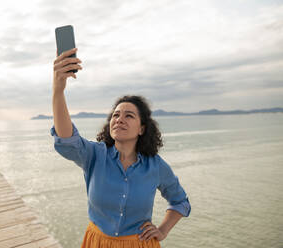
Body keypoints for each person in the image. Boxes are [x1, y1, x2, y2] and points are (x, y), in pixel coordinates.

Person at [51, 48, 191, 248]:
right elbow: (67, 140)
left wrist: (162, 230)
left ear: (142, 128)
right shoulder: (94, 155)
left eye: (129, 116)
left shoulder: (156, 166)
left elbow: (180, 201)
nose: (119, 120)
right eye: (116, 115)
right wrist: (58, 89)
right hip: (97, 243)